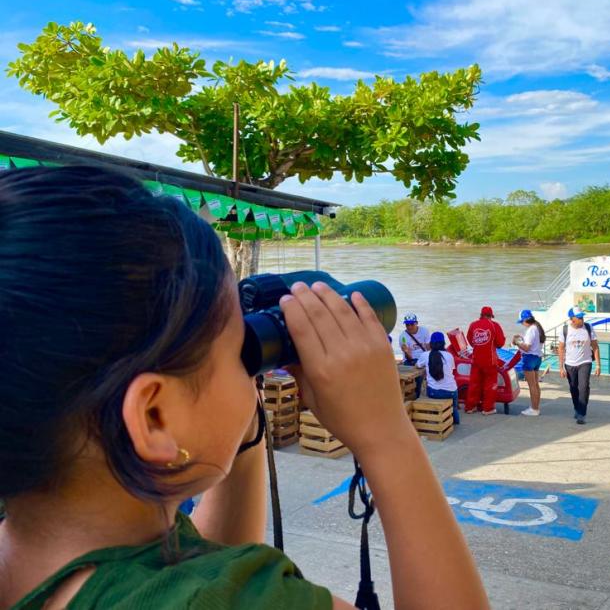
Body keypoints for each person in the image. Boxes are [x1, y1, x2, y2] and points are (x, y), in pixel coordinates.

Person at [0, 167, 489, 610]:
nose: (251, 364)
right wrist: (386, 436)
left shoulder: (41, 540)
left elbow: (204, 565)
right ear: (154, 416)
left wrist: (243, 423)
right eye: (240, 349)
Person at [558, 306, 601, 425]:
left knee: (584, 387)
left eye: (582, 317)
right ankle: (577, 407)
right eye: (579, 318)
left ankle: (582, 413)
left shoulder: (588, 328)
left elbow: (595, 347)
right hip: (570, 364)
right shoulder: (564, 330)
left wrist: (598, 365)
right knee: (573, 388)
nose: (582, 320)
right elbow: (561, 349)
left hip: (585, 362)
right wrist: (561, 367)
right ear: (572, 319)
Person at [465, 306, 506, 415]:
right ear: (491, 316)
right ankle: (487, 409)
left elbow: (470, 341)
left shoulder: (473, 325)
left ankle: (470, 407)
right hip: (490, 361)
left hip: (476, 359)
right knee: (490, 385)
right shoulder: (494, 325)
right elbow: (500, 343)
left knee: (474, 384)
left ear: (481, 315)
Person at [416, 332, 460, 424]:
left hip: (434, 392)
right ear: (443, 343)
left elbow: (417, 366)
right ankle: (455, 421)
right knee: (454, 407)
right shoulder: (449, 356)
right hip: (451, 392)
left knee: (423, 388)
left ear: (431, 344)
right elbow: (451, 370)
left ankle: (433, 416)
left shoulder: (425, 355)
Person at [514, 309, 545, 417]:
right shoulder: (537, 328)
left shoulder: (531, 329)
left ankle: (534, 408)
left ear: (525, 320)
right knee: (536, 384)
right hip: (537, 357)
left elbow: (526, 347)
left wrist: (517, 342)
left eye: (522, 322)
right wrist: (522, 340)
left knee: (532, 385)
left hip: (529, 358)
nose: (522, 324)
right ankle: (536, 407)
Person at [399, 313, 430, 398]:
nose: (409, 327)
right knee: (418, 374)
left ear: (416, 323)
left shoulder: (424, 331)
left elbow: (428, 348)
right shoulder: (403, 337)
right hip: (411, 359)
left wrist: (430, 359)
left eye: (411, 324)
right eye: (407, 324)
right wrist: (405, 351)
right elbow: (409, 357)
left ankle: (421, 393)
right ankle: (417, 395)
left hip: (423, 357)